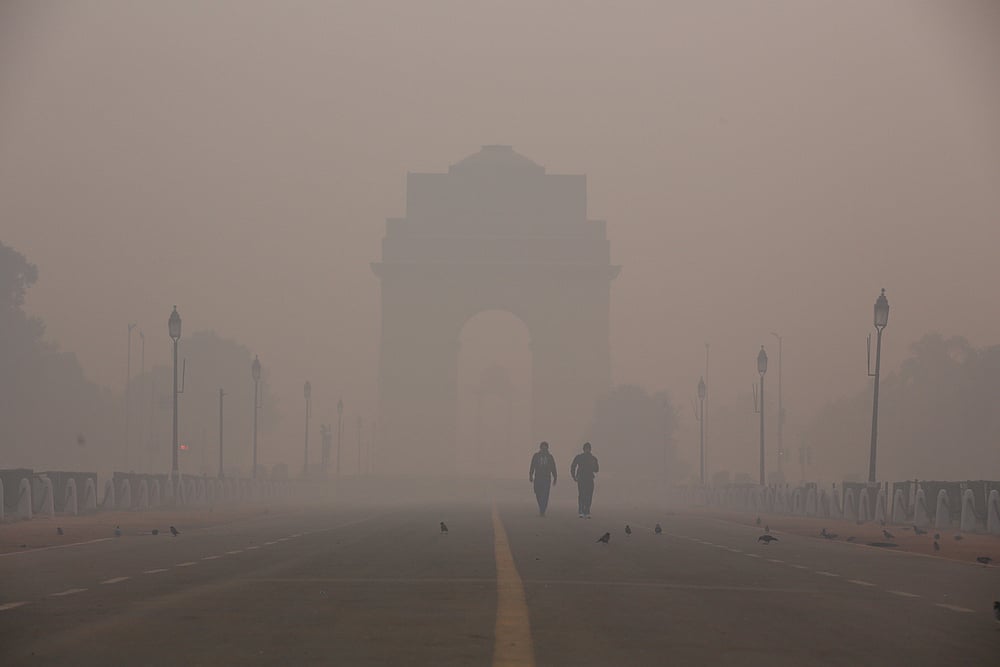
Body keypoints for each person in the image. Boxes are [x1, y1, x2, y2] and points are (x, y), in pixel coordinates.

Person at [570, 442, 599, 518]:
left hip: (589, 478)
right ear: (583, 449)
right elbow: (573, 466)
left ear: (590, 449)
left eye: (588, 449)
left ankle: (587, 510)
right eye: (586, 448)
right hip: (581, 479)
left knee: (589, 495)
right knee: (582, 494)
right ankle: (581, 510)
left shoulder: (593, 458)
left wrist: (594, 465)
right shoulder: (579, 457)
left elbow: (596, 469)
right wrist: (574, 476)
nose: (587, 450)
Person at [528, 441, 557, 517]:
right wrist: (530, 475)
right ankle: (541, 506)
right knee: (537, 493)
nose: (544, 448)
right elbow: (532, 466)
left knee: (545, 494)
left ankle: (542, 509)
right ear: (540, 447)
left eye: (545, 447)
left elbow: (553, 467)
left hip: (546, 478)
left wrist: (555, 477)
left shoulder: (550, 457)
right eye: (543, 447)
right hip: (538, 478)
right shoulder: (536, 456)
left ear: (547, 448)